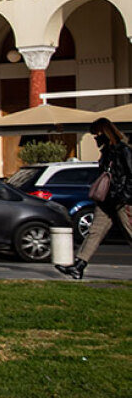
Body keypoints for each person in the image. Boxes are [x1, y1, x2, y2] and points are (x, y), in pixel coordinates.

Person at [56, 117, 132, 280]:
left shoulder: (123, 150)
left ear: (105, 132)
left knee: (130, 233)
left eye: (96, 134)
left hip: (121, 201)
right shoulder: (107, 151)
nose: (95, 138)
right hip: (106, 200)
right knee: (94, 232)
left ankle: (78, 266)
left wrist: (124, 197)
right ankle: (79, 266)